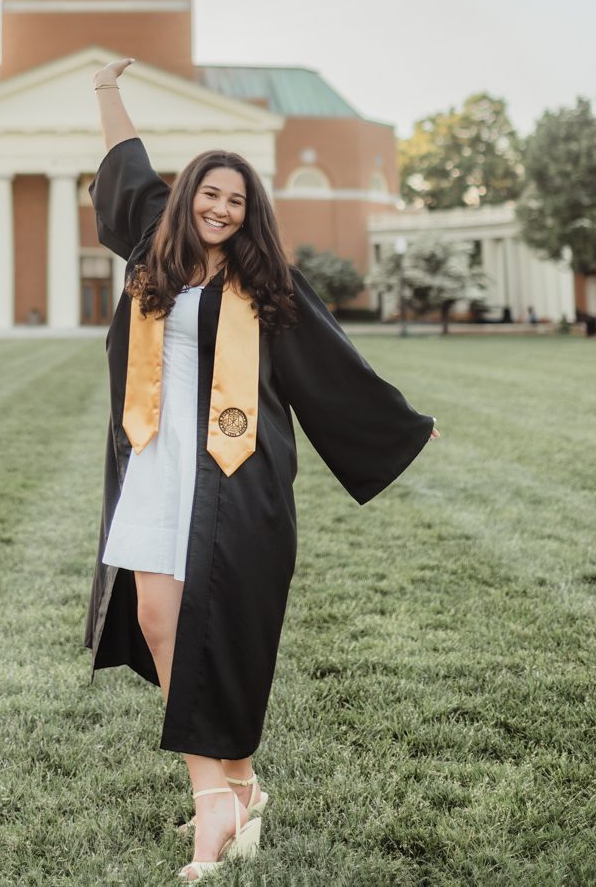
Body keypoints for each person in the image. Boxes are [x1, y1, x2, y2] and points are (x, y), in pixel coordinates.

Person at [84, 59, 440, 879]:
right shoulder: (151, 241)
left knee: (210, 627)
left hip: (231, 474)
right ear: (187, 199)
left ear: (249, 214)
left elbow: (330, 365)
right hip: (150, 460)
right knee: (157, 623)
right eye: (208, 194)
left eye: (235, 201)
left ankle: (214, 803)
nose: (218, 208)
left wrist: (400, 426)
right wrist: (105, 87)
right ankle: (233, 786)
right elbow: (125, 160)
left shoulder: (265, 282)